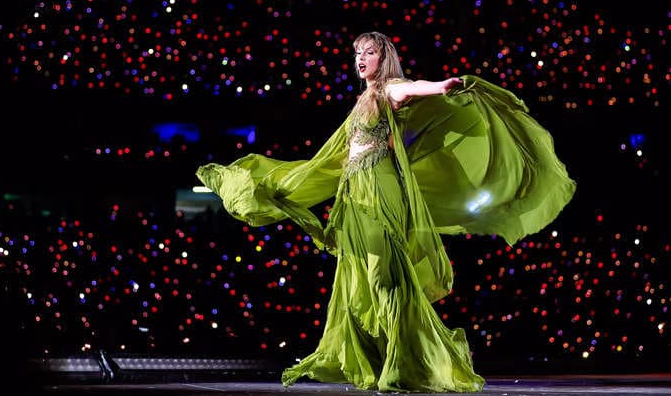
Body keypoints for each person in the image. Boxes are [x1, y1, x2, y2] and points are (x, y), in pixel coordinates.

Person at [196, 31, 576, 392]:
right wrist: (295, 186)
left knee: (384, 276)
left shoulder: (389, 89)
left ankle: (410, 361)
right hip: (354, 191)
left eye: (369, 52)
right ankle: (386, 358)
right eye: (357, 53)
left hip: (379, 188)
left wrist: (443, 86)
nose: (361, 59)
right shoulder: (363, 99)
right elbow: (346, 153)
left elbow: (412, 88)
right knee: (361, 272)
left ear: (384, 58)